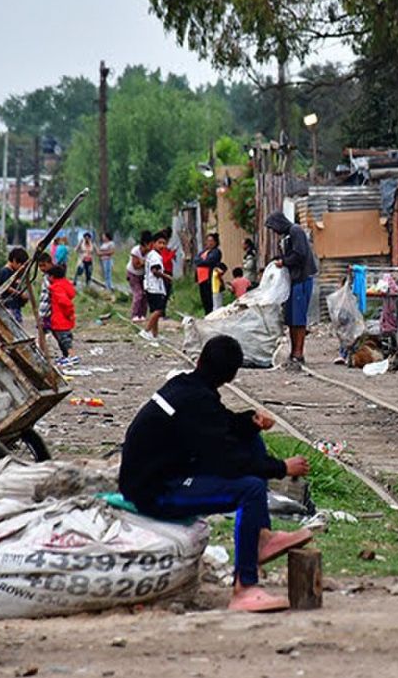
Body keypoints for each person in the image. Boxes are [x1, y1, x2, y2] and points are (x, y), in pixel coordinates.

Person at [118, 335, 314, 612]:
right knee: (250, 489)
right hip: (155, 491)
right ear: (231, 376)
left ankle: (262, 537)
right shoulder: (197, 400)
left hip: (167, 471)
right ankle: (245, 588)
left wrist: (249, 421)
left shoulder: (187, 387)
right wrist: (281, 468)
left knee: (250, 439)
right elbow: (228, 461)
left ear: (199, 361)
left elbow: (218, 424)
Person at [264, 212, 318, 366]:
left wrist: (284, 262)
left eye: (274, 228)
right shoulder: (287, 235)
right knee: (292, 318)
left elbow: (299, 254)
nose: (275, 232)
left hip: (302, 278)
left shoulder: (296, 231)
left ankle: (299, 353)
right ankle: (294, 351)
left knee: (299, 319)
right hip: (294, 281)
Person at [141, 232, 171, 341]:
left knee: (155, 311)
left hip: (150, 286)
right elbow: (155, 271)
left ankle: (155, 334)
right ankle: (146, 331)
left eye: (164, 243)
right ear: (154, 243)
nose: (162, 245)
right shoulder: (155, 256)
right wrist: (166, 276)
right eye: (160, 243)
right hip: (155, 287)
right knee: (159, 311)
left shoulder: (151, 254)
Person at [47, 264, 77, 365]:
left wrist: (69, 313)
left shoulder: (56, 288)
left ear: (52, 276)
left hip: (60, 319)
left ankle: (72, 355)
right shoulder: (65, 285)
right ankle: (67, 356)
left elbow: (65, 303)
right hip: (64, 319)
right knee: (64, 338)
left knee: (64, 339)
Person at [0, 247, 29, 324]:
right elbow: (5, 287)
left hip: (15, 305)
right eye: (20, 264)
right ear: (14, 261)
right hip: (8, 305)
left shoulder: (15, 272)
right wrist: (19, 294)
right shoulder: (5, 271)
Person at [194, 233, 222, 315]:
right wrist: (201, 261)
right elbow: (196, 259)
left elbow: (209, 261)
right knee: (204, 298)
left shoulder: (216, 252)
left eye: (211, 241)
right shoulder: (204, 251)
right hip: (201, 278)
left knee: (210, 298)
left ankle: (211, 314)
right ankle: (207, 313)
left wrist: (201, 261)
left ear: (215, 242)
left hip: (210, 278)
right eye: (208, 240)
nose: (209, 243)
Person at [126, 231, 151, 322]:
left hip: (143, 275)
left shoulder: (150, 253)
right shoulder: (135, 251)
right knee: (138, 293)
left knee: (145, 295)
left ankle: (142, 315)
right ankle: (134, 314)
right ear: (145, 244)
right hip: (133, 274)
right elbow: (135, 266)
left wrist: (142, 263)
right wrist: (144, 263)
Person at [37, 251, 54, 338]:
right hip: (44, 310)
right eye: (40, 266)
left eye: (44, 265)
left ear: (50, 263)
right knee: (43, 333)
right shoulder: (46, 275)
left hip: (48, 310)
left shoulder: (52, 276)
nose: (42, 268)